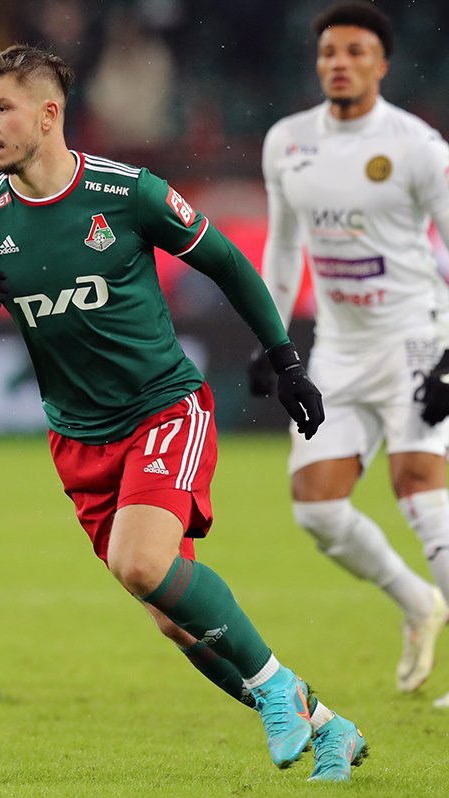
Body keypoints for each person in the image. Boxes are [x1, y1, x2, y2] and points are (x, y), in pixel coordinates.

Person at [0, 44, 365, 782]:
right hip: (78, 439)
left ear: (48, 114)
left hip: (162, 409)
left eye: (1, 108)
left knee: (141, 563)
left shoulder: (126, 193)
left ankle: (275, 687)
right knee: (173, 617)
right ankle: (328, 724)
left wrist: (286, 361)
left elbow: (227, 264)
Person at [252, 1, 449, 707]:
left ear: (382, 64)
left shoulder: (418, 147)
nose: (340, 63)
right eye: (329, 52)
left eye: (356, 52)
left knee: (420, 489)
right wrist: (272, 339)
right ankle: (419, 603)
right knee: (317, 510)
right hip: (337, 346)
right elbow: (282, 250)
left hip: (416, 337)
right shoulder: (288, 142)